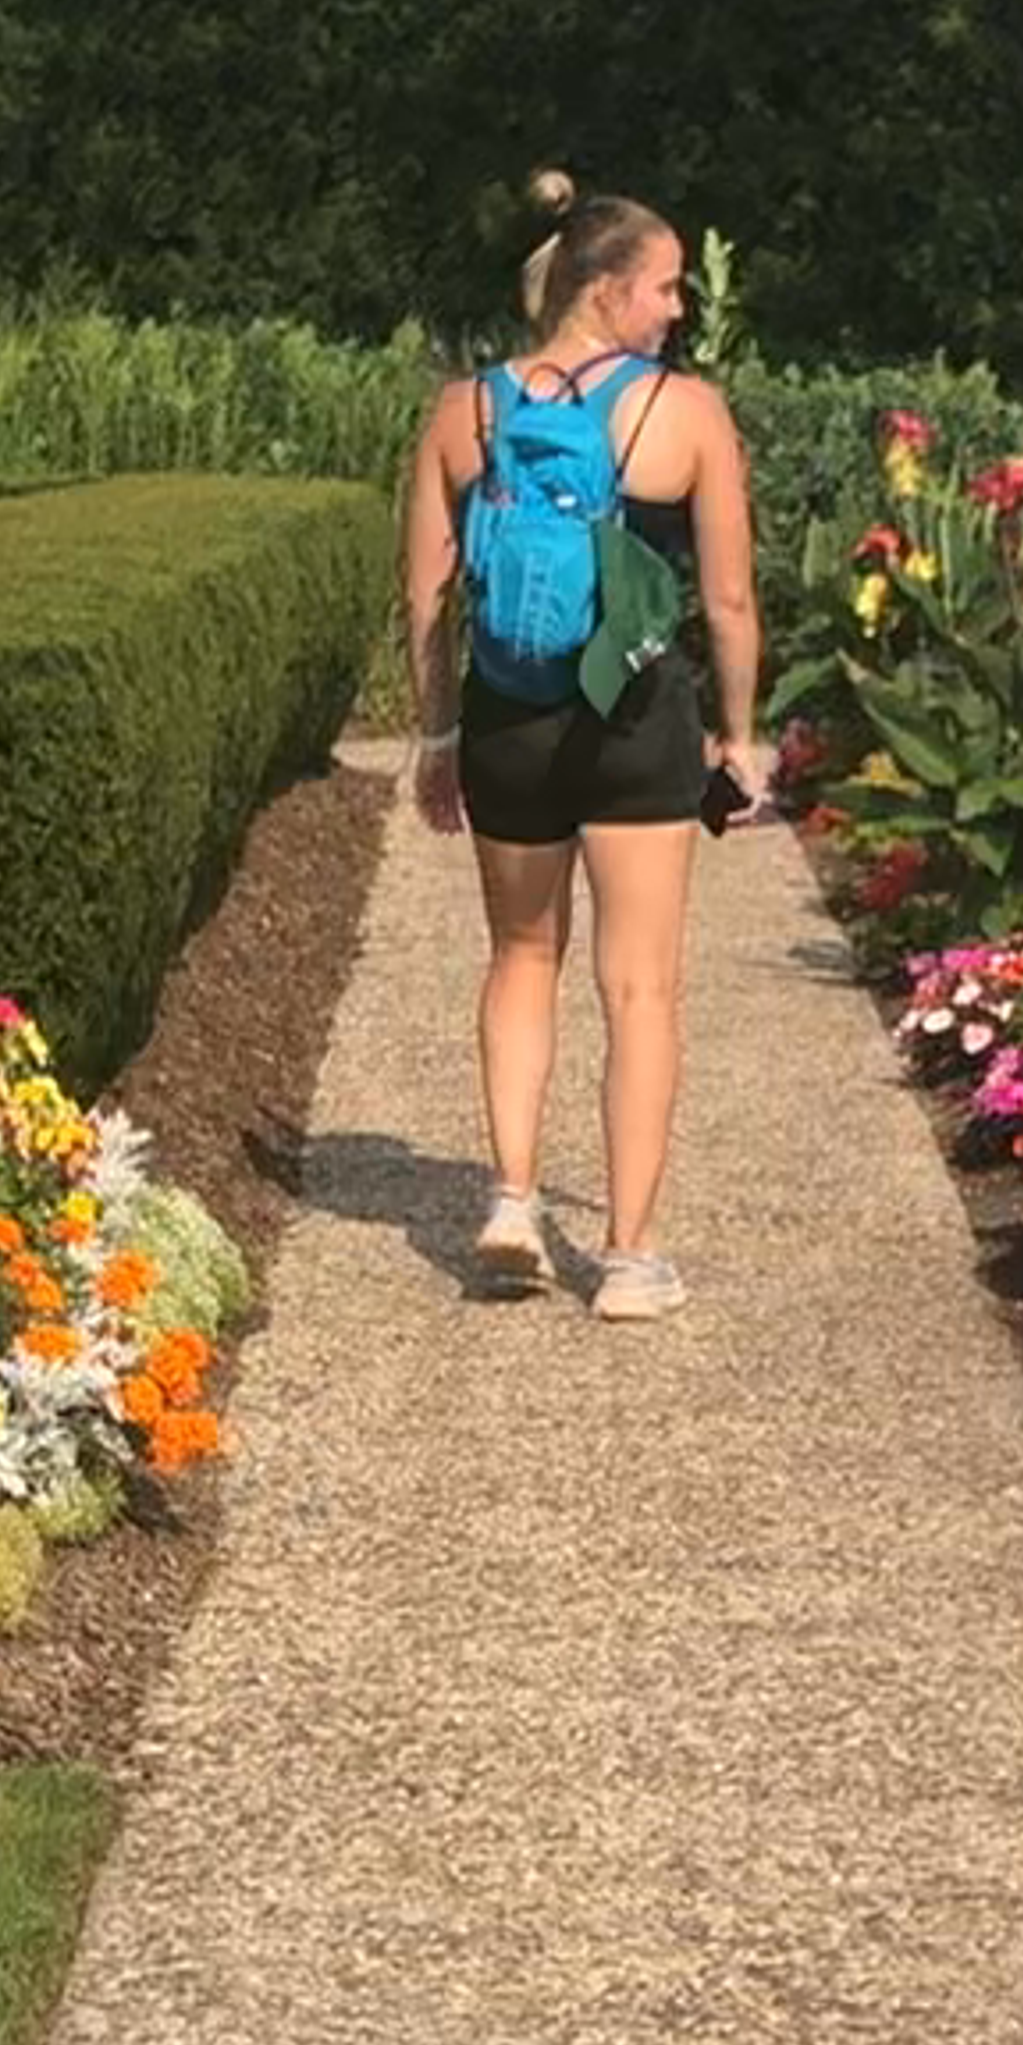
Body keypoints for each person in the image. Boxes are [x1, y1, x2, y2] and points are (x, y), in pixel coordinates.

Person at [399, 175, 771, 1318]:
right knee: (641, 986)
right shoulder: (686, 412)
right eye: (665, 287)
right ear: (607, 290)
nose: (676, 309)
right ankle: (630, 1257)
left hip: (511, 716)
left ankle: (511, 1201)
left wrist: (437, 732)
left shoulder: (463, 411)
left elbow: (425, 593)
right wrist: (740, 739)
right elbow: (729, 601)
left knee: (521, 957)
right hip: (635, 720)